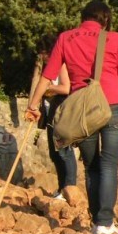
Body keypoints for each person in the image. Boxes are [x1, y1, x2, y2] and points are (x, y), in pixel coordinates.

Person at [26, 0, 118, 234]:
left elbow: (48, 75)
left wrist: (33, 105)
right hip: (114, 105)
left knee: (91, 165)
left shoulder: (66, 38)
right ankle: (105, 223)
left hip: (82, 111)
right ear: (105, 19)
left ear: (82, 17)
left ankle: (97, 222)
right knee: (109, 163)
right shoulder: (115, 39)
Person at [42, 63, 78, 201]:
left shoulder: (61, 65)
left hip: (62, 113)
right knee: (55, 153)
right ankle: (62, 187)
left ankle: (69, 187)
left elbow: (65, 88)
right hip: (51, 113)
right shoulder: (46, 66)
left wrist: (47, 87)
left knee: (64, 152)